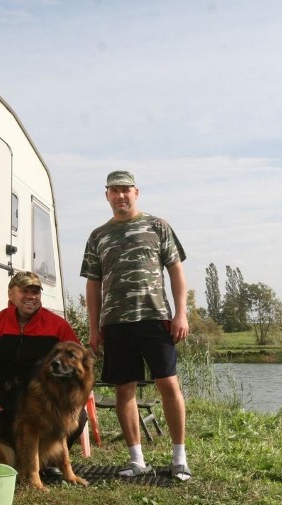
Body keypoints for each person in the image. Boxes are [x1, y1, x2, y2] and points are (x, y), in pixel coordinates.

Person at [80, 170, 192, 481]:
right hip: (116, 324)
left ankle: (179, 458)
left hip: (155, 318)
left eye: (125, 190)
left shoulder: (158, 226)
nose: (120, 196)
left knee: (169, 385)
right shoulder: (98, 236)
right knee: (123, 389)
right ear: (107, 196)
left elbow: (176, 272)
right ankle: (136, 459)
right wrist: (93, 327)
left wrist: (181, 313)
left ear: (136, 192)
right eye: (114, 190)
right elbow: (93, 285)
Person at [0, 271, 87, 455]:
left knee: (79, 417)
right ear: (10, 294)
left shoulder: (58, 326)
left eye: (36, 292)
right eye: (24, 291)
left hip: (42, 404)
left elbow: (79, 364)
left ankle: (50, 461)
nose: (31, 297)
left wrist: (67, 400)